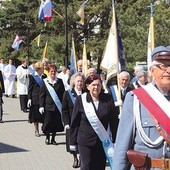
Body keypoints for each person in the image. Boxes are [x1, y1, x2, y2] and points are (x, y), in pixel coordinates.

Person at [113, 46, 170, 170]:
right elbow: (122, 145)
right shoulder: (136, 98)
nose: (168, 70)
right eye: (163, 66)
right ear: (152, 70)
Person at [69, 74, 119, 170]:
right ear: (87, 86)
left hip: (102, 141)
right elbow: (75, 123)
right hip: (85, 141)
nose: (96, 87)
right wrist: (72, 142)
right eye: (93, 85)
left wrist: (115, 140)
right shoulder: (81, 100)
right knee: (86, 166)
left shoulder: (107, 99)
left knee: (99, 166)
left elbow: (114, 121)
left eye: (98, 85)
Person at [62, 72, 85, 168]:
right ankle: (75, 158)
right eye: (78, 81)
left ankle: (82, 158)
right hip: (72, 122)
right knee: (73, 141)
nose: (79, 83)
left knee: (83, 141)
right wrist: (66, 122)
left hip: (83, 123)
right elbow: (64, 109)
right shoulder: (68, 93)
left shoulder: (86, 93)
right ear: (74, 82)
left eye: (81, 81)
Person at [39, 64, 65, 145]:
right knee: (48, 123)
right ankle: (47, 137)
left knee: (55, 124)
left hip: (57, 107)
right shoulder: (45, 81)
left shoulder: (60, 81)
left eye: (54, 71)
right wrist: (41, 106)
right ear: (49, 72)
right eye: (51, 72)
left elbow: (63, 94)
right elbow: (42, 95)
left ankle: (53, 139)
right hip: (48, 106)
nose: (53, 73)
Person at [27, 61, 46, 137]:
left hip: (43, 98)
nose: (43, 69)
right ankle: (36, 130)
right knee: (36, 116)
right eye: (42, 68)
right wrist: (29, 98)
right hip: (35, 98)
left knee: (44, 115)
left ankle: (44, 128)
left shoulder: (45, 77)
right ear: (38, 69)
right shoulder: (32, 77)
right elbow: (30, 89)